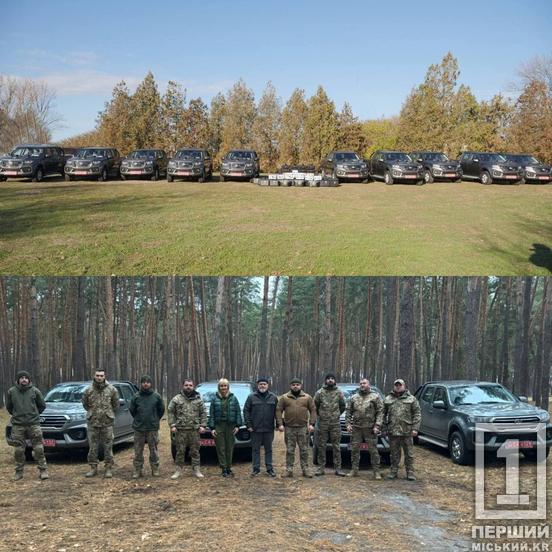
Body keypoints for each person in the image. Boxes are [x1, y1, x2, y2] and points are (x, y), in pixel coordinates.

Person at [6, 370, 49, 481]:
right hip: (18, 425)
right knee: (18, 450)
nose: (24, 379)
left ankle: (43, 470)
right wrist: (17, 415)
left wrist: (34, 414)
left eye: (26, 377)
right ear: (18, 380)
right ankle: (18, 472)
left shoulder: (35, 391)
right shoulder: (12, 392)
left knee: (38, 448)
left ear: (29, 380)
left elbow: (42, 405)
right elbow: (9, 407)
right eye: (22, 377)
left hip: (33, 424)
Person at [82, 369, 119, 478]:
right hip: (93, 422)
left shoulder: (112, 390)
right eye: (97, 375)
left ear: (104, 376)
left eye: (101, 375)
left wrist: (107, 413)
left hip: (107, 423)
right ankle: (93, 468)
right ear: (94, 376)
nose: (99, 377)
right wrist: (93, 412)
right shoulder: (88, 390)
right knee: (93, 447)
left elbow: (116, 405)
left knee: (108, 446)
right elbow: (85, 404)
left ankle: (108, 468)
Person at [276, 378, 316, 478]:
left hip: (303, 428)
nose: (295, 386)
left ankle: (305, 469)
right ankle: (289, 470)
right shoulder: (284, 397)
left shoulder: (307, 397)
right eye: (293, 384)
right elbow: (278, 410)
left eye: (297, 384)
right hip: (289, 428)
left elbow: (313, 410)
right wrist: (280, 424)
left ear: (301, 385)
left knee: (304, 450)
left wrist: (312, 424)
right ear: (290, 386)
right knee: (290, 450)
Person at [167, 378, 207, 479]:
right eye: (186, 385)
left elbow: (203, 413)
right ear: (183, 386)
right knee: (180, 451)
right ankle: (178, 470)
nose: (188, 387)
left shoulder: (198, 399)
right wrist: (172, 425)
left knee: (195, 451)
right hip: (181, 430)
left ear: (193, 386)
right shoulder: (176, 399)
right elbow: (170, 411)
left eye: (190, 385)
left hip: (194, 430)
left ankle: (196, 469)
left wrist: (203, 425)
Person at [383, 378, 421, 481]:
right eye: (396, 385)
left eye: (400, 385)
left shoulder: (412, 399)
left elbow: (417, 414)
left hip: (407, 431)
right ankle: (393, 471)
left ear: (404, 386)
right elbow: (383, 414)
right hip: (393, 431)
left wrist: (415, 429)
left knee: (409, 453)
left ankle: (410, 472)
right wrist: (384, 427)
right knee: (394, 453)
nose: (398, 387)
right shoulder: (388, 399)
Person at [128, 374, 165, 479]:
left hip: (152, 428)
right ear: (141, 383)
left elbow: (161, 409)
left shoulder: (156, 396)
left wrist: (154, 419)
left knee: (153, 450)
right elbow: (132, 410)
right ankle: (137, 470)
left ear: (150, 384)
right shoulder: (136, 397)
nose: (146, 384)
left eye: (148, 382)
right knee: (138, 450)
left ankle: (155, 468)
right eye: (144, 382)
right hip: (139, 428)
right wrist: (139, 419)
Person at [346, 378, 383, 479]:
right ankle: (354, 470)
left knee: (373, 450)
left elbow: (380, 412)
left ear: (368, 384)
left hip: (370, 428)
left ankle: (376, 471)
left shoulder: (375, 397)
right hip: (357, 428)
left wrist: (377, 426)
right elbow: (348, 411)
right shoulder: (354, 397)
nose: (362, 385)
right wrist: (348, 424)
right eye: (361, 383)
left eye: (364, 383)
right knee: (354, 449)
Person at [243, 377, 278, 477]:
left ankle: (269, 469)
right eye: (260, 384)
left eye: (264, 384)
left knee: (269, 449)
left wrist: (278, 424)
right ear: (257, 385)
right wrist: (248, 425)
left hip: (268, 429)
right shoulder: (251, 397)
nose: (262, 386)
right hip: (255, 429)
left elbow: (277, 412)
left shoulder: (273, 397)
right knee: (255, 449)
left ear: (268, 385)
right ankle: (256, 469)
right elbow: (246, 411)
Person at [208, 379, 243, 477]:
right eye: (221, 386)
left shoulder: (233, 398)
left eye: (225, 386)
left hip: (230, 426)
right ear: (219, 387)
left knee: (229, 447)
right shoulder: (214, 399)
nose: (223, 388)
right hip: (219, 426)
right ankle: (223, 468)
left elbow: (238, 413)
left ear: (228, 387)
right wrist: (212, 428)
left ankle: (229, 467)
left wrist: (237, 426)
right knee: (221, 448)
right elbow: (212, 415)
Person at [313, 373, 346, 476]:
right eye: (328, 379)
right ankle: (321, 468)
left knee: (336, 446)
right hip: (322, 423)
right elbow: (315, 406)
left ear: (334, 381)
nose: (330, 380)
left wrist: (335, 415)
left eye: (332, 378)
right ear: (325, 381)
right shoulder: (320, 392)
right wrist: (322, 415)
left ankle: (338, 469)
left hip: (335, 424)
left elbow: (342, 406)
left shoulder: (339, 392)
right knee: (321, 446)